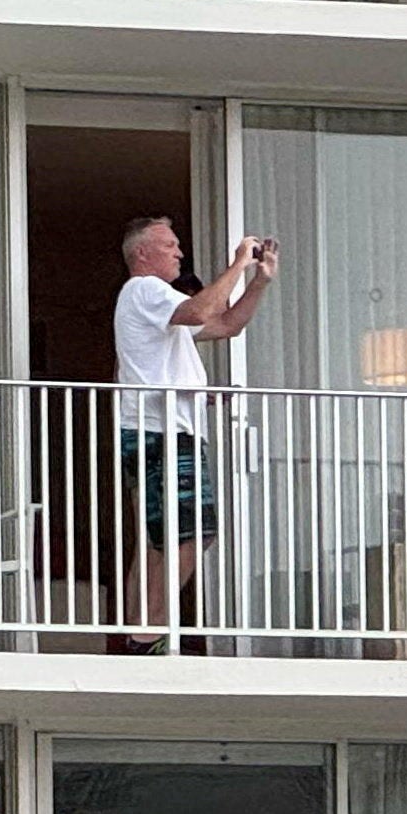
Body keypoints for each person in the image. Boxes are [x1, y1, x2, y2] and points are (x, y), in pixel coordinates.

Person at [112, 217, 280, 650]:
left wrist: (259, 282)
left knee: (158, 538)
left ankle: (142, 629)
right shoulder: (144, 290)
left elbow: (226, 325)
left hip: (164, 428)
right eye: (170, 245)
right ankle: (149, 629)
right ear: (143, 254)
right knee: (191, 530)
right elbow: (201, 310)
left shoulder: (157, 304)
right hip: (160, 432)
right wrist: (239, 264)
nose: (179, 253)